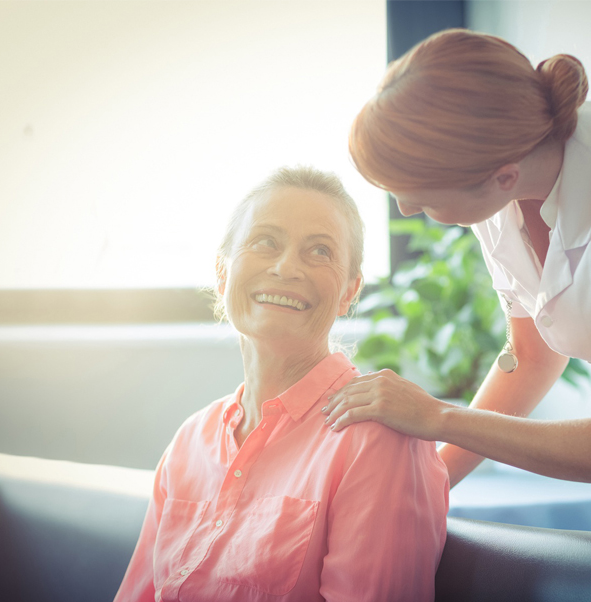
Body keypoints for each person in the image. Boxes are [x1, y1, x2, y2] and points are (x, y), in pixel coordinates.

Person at [321, 28, 591, 543]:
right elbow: (529, 354)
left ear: (502, 175)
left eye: (424, 198)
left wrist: (438, 417)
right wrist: (425, 489)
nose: (407, 210)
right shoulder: (500, 189)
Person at [114, 166, 449, 602]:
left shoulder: (376, 435)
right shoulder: (189, 441)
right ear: (222, 272)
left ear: (350, 291)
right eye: (265, 242)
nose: (286, 267)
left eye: (320, 251)